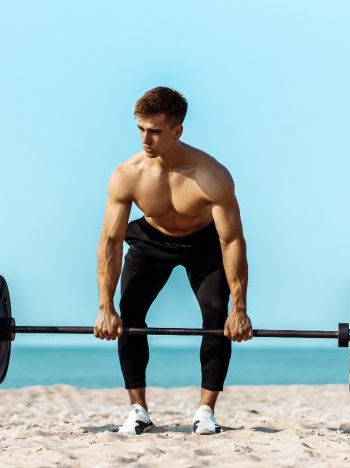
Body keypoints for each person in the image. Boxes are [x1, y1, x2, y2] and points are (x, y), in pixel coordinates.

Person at [94, 86, 252, 435]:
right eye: (140, 129)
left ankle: (206, 412)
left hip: (204, 243)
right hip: (151, 241)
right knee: (129, 310)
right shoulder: (128, 174)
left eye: (155, 131)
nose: (145, 139)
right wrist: (105, 307)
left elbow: (231, 240)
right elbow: (111, 240)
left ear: (177, 131)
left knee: (216, 313)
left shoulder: (211, 175)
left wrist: (238, 309)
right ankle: (138, 410)